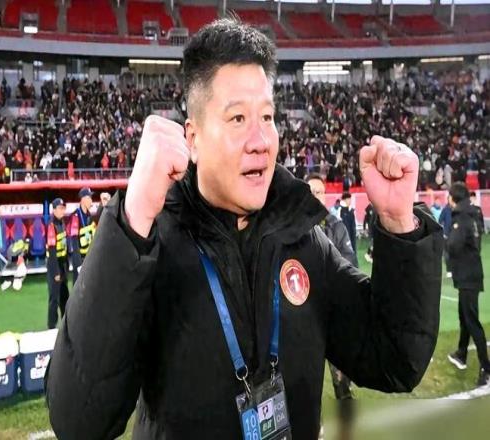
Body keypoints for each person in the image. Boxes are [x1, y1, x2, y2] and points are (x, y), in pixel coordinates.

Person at [46, 19, 443, 440]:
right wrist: (131, 220)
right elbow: (79, 422)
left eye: (267, 116)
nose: (261, 140)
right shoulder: (151, 244)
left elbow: (395, 359)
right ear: (193, 139)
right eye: (237, 118)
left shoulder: (303, 237)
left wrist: (399, 224)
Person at [306, 173, 356, 439]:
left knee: (341, 380)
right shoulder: (291, 228)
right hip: (305, 321)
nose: (315, 196)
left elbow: (349, 266)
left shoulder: (336, 225)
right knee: (307, 382)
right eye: (310, 191)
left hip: (334, 319)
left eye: (319, 192)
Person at [446, 183, 490, 387]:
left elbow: (453, 245)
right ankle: (461, 354)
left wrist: (444, 243)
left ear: (453, 198)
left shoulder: (461, 218)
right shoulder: (473, 215)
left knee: (472, 321)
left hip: (467, 276)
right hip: (470, 273)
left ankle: (486, 368)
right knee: (464, 316)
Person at [46, 198, 69, 329]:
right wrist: (55, 272)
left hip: (63, 264)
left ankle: (66, 324)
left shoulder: (62, 223)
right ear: (54, 210)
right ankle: (51, 326)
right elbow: (52, 250)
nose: (62, 211)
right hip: (54, 265)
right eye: (60, 208)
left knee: (65, 296)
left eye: (63, 208)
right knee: (54, 298)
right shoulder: (51, 226)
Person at [68, 187, 95, 285]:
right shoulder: (75, 216)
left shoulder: (89, 216)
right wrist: (78, 263)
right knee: (78, 286)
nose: (91, 201)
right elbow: (74, 242)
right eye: (89, 198)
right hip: (80, 258)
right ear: (83, 199)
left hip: (89, 257)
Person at [335, 192, 357, 256]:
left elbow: (353, 225)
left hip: (351, 236)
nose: (350, 201)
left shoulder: (351, 210)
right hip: (343, 238)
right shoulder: (339, 210)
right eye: (349, 199)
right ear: (345, 199)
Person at [439, 198, 453, 278]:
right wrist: (443, 232)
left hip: (456, 235)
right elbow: (440, 220)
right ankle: (449, 270)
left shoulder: (457, 209)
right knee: (447, 254)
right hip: (446, 235)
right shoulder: (445, 210)